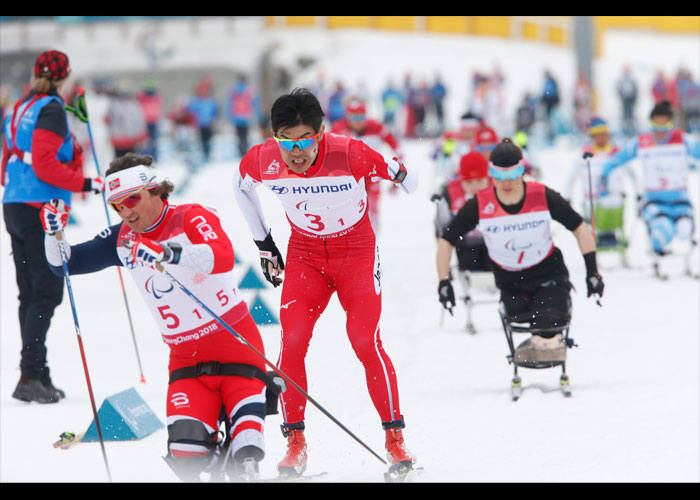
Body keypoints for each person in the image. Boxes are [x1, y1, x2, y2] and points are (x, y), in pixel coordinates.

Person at [40, 153, 276, 482]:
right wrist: (54, 234)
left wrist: (167, 252)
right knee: (186, 457)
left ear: (154, 191)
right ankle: (216, 450)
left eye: (132, 200)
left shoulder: (191, 216)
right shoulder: (122, 239)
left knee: (249, 450)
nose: (126, 212)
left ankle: (236, 453)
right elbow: (65, 264)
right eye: (117, 206)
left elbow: (222, 257)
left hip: (235, 344)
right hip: (186, 359)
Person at [232, 88, 419, 479]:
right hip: (305, 255)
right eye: (287, 142)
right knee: (292, 339)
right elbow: (240, 186)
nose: (296, 152)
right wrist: (265, 245)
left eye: (305, 141)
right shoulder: (264, 159)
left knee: (365, 341)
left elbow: (407, 178)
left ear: (320, 134)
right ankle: (295, 444)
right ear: (274, 138)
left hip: (356, 251)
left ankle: (394, 440)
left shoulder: (350, 152)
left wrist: (401, 173)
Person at [436, 138, 604, 365]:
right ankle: (541, 345)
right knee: (520, 315)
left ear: (522, 171)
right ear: (492, 175)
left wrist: (592, 271)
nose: (506, 183)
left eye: (513, 175)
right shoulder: (480, 204)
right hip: (511, 282)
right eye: (500, 177)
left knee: (548, 320)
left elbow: (580, 228)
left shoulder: (542, 196)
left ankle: (546, 341)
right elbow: (446, 240)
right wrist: (444, 282)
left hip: (548, 275)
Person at [1, 50, 105, 404]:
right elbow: (45, 165)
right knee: (46, 292)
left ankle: (38, 372)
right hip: (39, 207)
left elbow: (7, 159)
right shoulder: (51, 109)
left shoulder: (20, 107)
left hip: (15, 204)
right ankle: (29, 374)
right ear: (65, 77)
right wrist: (85, 183)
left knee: (30, 293)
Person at [601, 100, 700, 262]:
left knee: (684, 230)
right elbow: (614, 160)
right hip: (655, 202)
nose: (660, 132)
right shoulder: (642, 142)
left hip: (681, 201)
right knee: (662, 230)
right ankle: (659, 249)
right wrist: (604, 179)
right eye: (655, 126)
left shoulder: (683, 140)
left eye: (664, 127)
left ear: (671, 124)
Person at [330, 97, 404, 232]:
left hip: (372, 175)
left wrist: (397, 177)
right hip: (350, 176)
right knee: (349, 208)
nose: (358, 122)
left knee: (372, 207)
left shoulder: (376, 127)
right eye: (354, 118)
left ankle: (373, 238)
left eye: (361, 117)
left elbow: (398, 148)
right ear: (348, 117)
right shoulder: (339, 128)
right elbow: (327, 152)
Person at [566, 118, 636, 255]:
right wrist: (568, 198)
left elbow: (634, 175)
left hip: (615, 204)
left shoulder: (617, 153)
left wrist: (638, 194)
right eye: (598, 135)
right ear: (592, 137)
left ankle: (611, 238)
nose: (602, 138)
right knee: (595, 210)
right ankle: (598, 242)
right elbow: (570, 179)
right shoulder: (584, 155)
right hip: (593, 205)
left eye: (604, 134)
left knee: (613, 204)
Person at [433, 152, 492, 278]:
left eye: (480, 181)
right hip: (466, 245)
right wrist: (445, 266)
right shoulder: (451, 192)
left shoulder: (497, 189)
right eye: (469, 182)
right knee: (469, 260)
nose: (475, 187)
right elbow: (441, 229)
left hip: (494, 244)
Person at [226, 76, 264, 158]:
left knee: (239, 135)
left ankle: (241, 149)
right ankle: (244, 149)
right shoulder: (249, 90)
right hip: (246, 117)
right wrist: (259, 115)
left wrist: (228, 115)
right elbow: (256, 103)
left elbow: (229, 103)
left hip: (236, 117)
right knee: (245, 135)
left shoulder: (233, 90)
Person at [187, 76, 219, 162]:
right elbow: (191, 109)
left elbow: (214, 110)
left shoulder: (209, 100)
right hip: (202, 123)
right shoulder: (202, 100)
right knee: (204, 140)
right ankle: (205, 154)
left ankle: (206, 154)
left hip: (205, 122)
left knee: (206, 139)